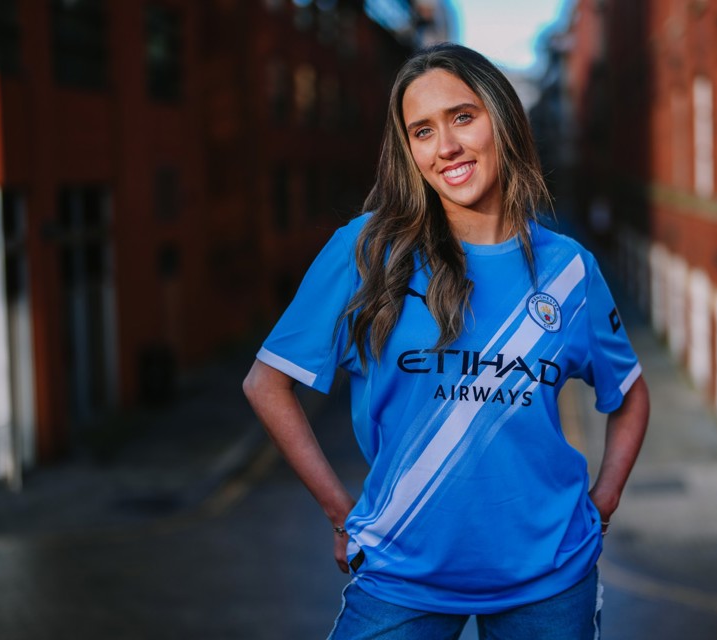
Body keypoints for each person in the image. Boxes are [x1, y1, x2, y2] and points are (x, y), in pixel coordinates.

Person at [243, 43, 649, 640]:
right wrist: (339, 513)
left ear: (502, 119)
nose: (447, 147)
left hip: (550, 580)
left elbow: (631, 393)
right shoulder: (368, 251)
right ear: (409, 151)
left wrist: (604, 497)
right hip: (400, 575)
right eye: (422, 131)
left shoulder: (571, 271)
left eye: (463, 117)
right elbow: (267, 382)